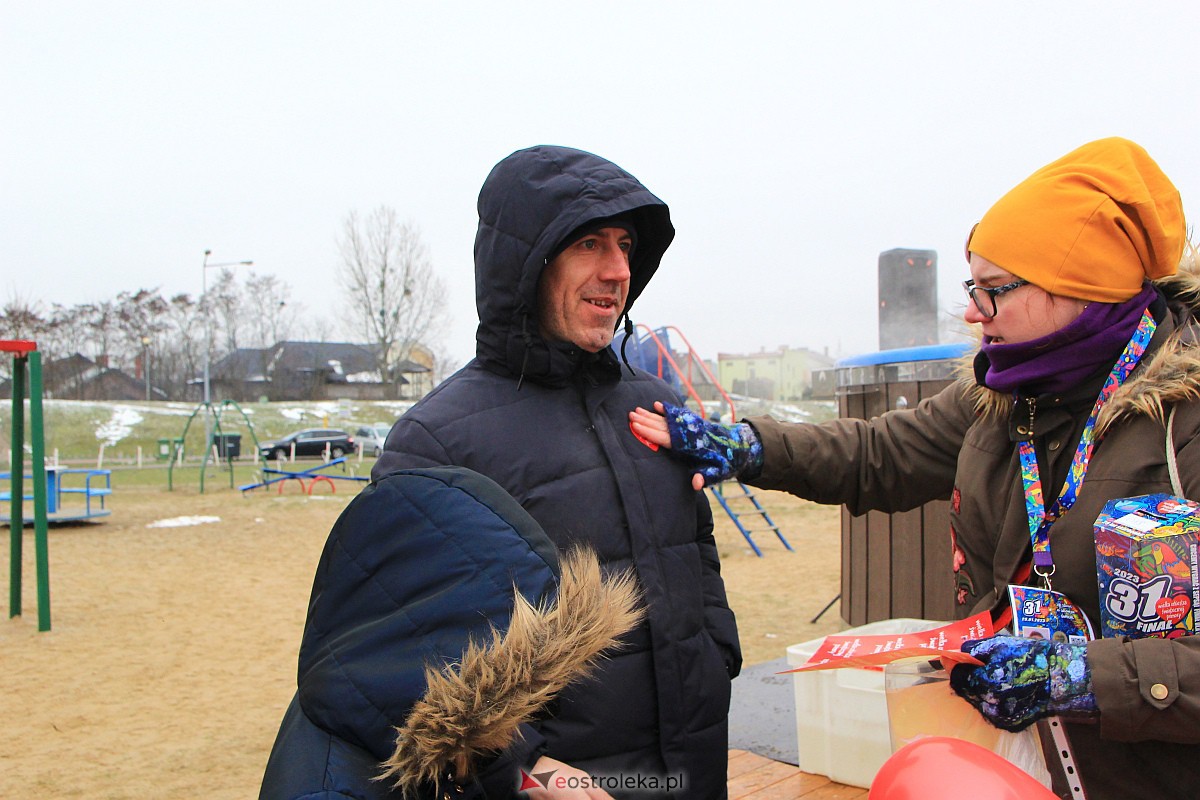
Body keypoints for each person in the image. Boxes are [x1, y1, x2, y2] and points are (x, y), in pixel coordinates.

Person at [630, 137, 1200, 799]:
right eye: (972, 286)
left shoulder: (1183, 424)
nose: (972, 312)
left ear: (1079, 288)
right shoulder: (999, 395)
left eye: (994, 290)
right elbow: (876, 454)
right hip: (1012, 756)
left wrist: (1080, 675)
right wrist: (748, 447)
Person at [370, 145, 741, 798]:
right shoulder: (435, 442)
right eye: (590, 244)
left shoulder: (660, 403)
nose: (618, 270)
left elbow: (697, 548)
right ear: (528, 263)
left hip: (693, 766)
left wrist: (717, 655)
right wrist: (523, 766)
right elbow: (404, 656)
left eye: (626, 245)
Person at [259, 466, 642, 800]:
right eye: (511, 692)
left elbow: (451, 754)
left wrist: (529, 771)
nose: (527, 710)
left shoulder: (372, 698)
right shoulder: (328, 790)